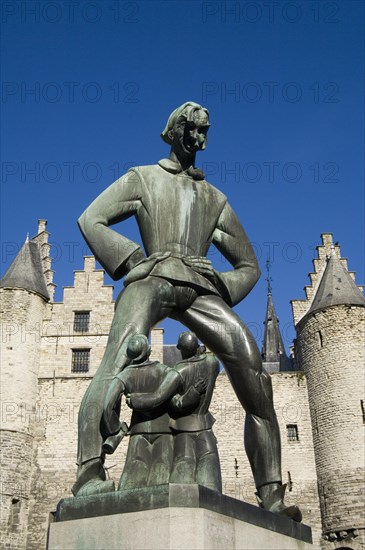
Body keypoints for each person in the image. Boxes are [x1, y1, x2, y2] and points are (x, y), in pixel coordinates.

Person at [74, 101, 301, 521]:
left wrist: (220, 282)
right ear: (175, 131)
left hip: (200, 291)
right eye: (193, 131)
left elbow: (248, 265)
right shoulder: (142, 178)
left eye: (205, 132)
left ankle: (271, 495)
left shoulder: (213, 199)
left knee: (254, 374)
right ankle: (89, 471)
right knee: (116, 359)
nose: (200, 140)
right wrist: (131, 262)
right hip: (153, 280)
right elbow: (92, 219)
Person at [128, 332, 222, 493]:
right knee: (211, 480)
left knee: (182, 479)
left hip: (184, 430)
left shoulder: (179, 371)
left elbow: (160, 398)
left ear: (180, 350)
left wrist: (135, 400)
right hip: (205, 426)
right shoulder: (213, 363)